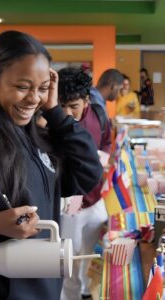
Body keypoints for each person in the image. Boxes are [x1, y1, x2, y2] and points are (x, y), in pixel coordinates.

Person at [0, 30, 102, 299]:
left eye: (42, 88)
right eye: (23, 87)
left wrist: (55, 111)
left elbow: (88, 173)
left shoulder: (31, 135)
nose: (34, 99)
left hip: (41, 284)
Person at [57, 67, 110, 300]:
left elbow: (107, 139)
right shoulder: (52, 123)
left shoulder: (98, 114)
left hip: (97, 199)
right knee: (68, 261)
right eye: (62, 106)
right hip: (70, 206)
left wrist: (104, 156)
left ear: (87, 100)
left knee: (91, 254)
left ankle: (88, 293)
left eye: (73, 106)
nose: (67, 113)